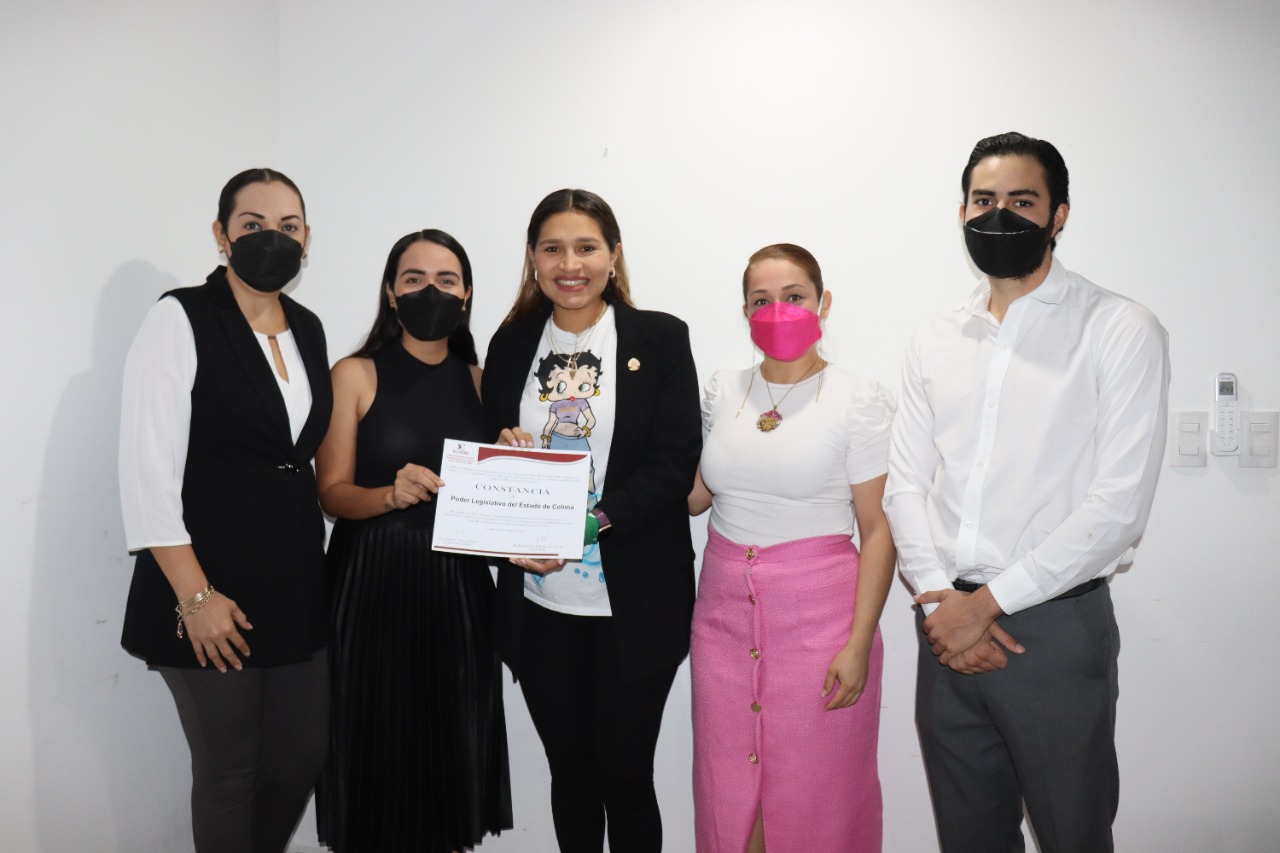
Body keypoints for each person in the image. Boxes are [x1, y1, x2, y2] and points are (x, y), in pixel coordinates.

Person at [883, 132, 1170, 852]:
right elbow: (905, 485)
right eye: (983, 200)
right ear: (961, 211)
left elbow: (1117, 510)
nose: (998, 215)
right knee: (969, 838)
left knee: (1074, 834)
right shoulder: (934, 338)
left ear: (1058, 215)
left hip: (1053, 628)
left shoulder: (1118, 328)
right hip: (943, 623)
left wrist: (983, 607)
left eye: (1021, 201)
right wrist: (941, 606)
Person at [119, 168, 332, 853]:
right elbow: (147, 470)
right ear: (221, 234)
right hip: (207, 585)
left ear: (307, 239)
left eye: (289, 227)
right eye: (253, 224)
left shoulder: (308, 328)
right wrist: (195, 597)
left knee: (300, 755)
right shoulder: (179, 316)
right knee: (230, 771)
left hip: (294, 582)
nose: (274, 238)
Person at [482, 188, 701, 853]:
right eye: (553, 248)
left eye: (586, 247)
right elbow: (492, 453)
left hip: (636, 603)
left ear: (613, 255)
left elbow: (674, 463)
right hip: (539, 604)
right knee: (570, 773)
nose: (569, 264)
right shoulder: (511, 342)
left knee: (626, 774)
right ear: (533, 257)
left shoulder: (659, 338)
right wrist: (505, 449)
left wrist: (588, 524)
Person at [687, 244, 897, 852]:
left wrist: (858, 643)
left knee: (816, 794)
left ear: (823, 303)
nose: (777, 310)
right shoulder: (723, 391)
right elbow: (695, 497)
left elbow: (878, 530)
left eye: (794, 296)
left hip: (822, 628)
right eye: (761, 300)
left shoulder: (857, 399)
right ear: (744, 312)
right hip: (722, 623)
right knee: (730, 792)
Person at [313, 229, 512, 852]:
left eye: (446, 280)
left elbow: (501, 502)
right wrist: (388, 496)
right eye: (414, 279)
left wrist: (517, 460)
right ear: (391, 294)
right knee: (372, 750)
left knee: (448, 757)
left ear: (467, 294)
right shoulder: (353, 374)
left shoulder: (483, 382)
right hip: (368, 586)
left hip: (458, 592)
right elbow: (331, 493)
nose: (432, 291)